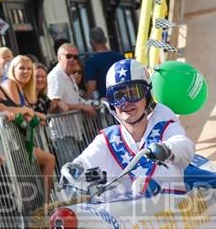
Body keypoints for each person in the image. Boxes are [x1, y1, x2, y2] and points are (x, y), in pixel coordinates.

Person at [61, 59, 194, 198]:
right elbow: (86, 160)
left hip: (172, 213)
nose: (125, 102)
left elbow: (185, 146)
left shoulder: (166, 127)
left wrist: (167, 149)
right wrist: (75, 168)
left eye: (134, 93)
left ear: (147, 96)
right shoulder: (107, 139)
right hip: (128, 216)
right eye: (117, 96)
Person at [47, 43, 97, 117]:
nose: (72, 59)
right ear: (59, 57)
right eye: (68, 56)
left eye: (75, 57)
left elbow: (75, 99)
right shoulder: (56, 76)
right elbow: (55, 104)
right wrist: (82, 107)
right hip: (62, 127)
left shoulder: (68, 74)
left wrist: (95, 104)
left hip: (75, 125)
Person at [84, 27, 124, 98]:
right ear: (105, 40)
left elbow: (92, 88)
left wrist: (85, 101)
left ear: (91, 43)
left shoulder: (91, 62)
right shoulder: (120, 57)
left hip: (106, 103)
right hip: (123, 99)